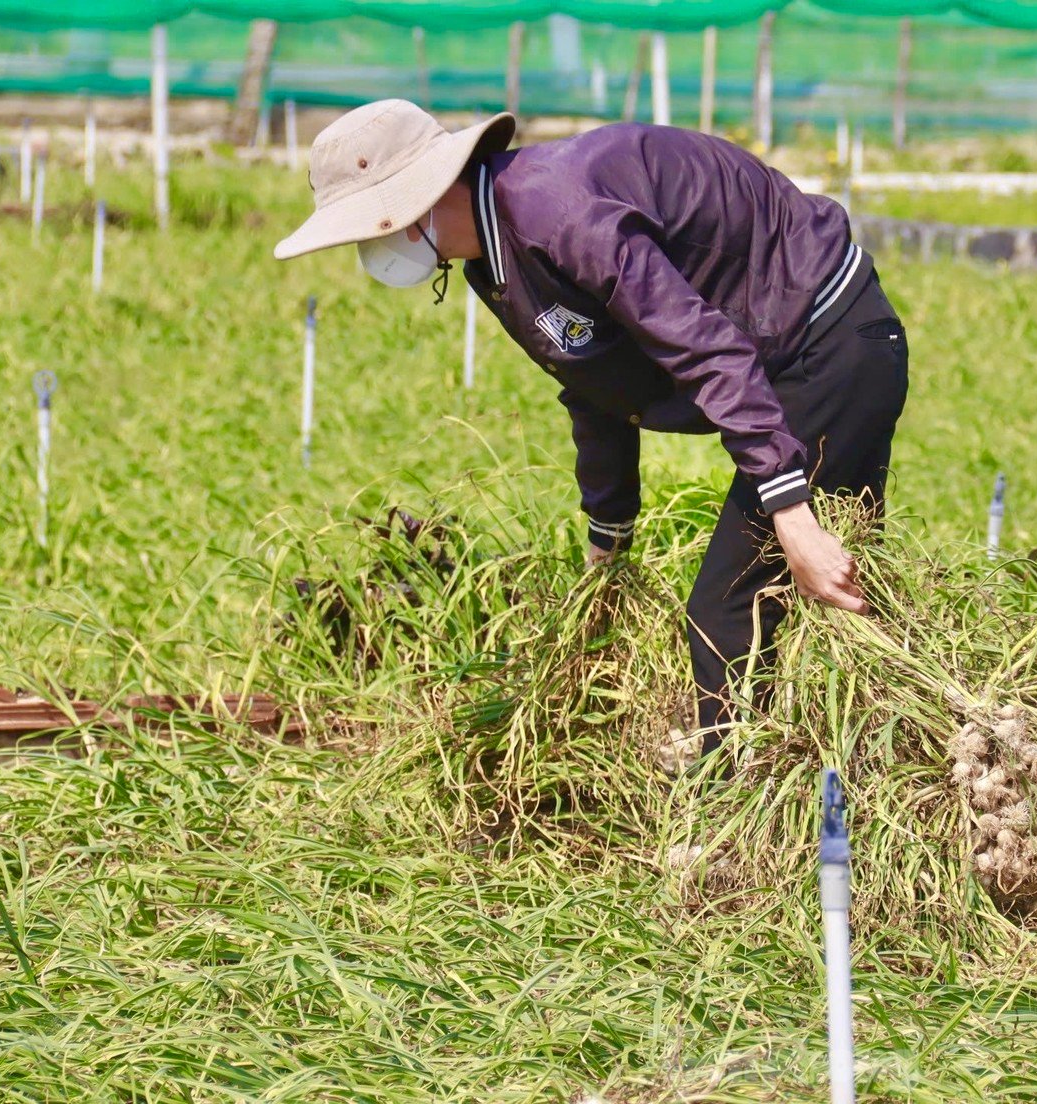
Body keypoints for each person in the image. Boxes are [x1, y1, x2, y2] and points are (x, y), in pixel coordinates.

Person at [274, 100, 908, 757]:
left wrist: (791, 513)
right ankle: (874, 762)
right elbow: (598, 382)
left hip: (826, 345)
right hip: (802, 357)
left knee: (726, 614)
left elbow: (706, 349)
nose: (368, 250)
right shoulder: (497, 258)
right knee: (836, 596)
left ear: (410, 205)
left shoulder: (558, 211)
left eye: (366, 233)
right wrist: (609, 538)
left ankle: (734, 824)